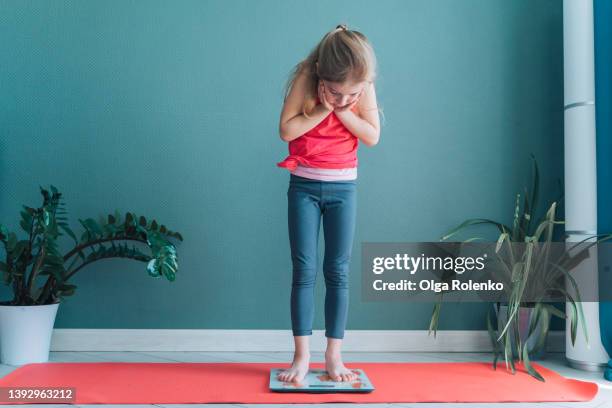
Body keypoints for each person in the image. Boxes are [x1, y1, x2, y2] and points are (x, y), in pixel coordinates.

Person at [276, 24, 381, 384]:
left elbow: (372, 136)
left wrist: (344, 108)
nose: (344, 97)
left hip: (343, 189)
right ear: (322, 76)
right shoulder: (307, 76)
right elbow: (287, 131)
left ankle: (334, 356)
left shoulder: (361, 84)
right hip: (304, 185)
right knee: (303, 270)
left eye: (352, 93)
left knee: (338, 271)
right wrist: (325, 107)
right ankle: (301, 356)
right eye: (337, 91)